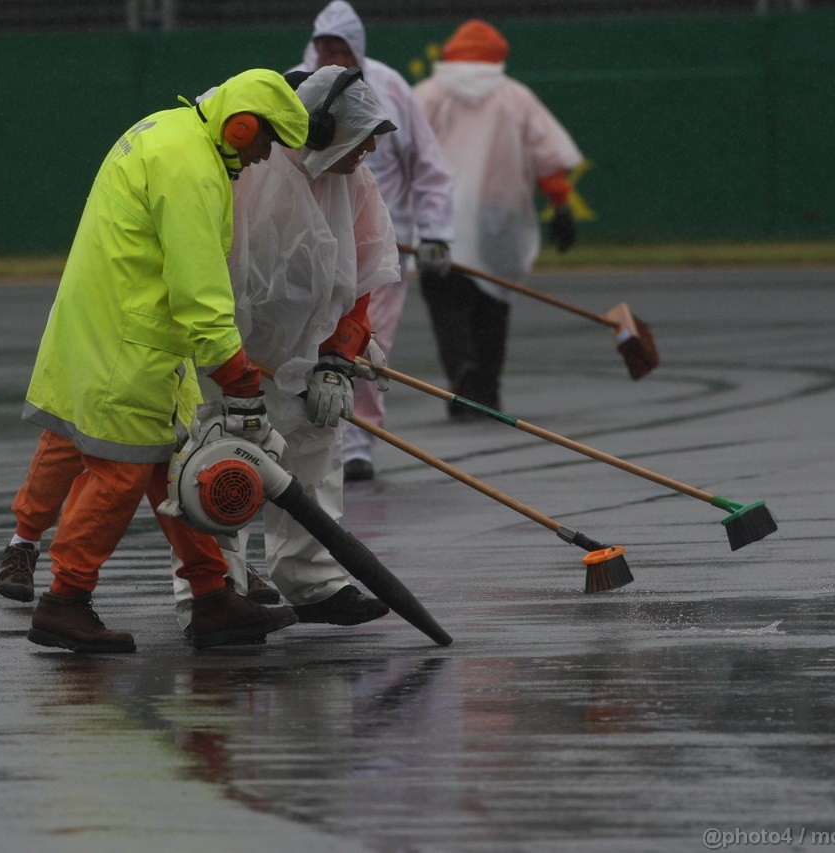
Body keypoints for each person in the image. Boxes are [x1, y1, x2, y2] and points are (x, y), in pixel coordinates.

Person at [0, 69, 311, 653]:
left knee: (174, 470)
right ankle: (66, 600)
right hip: (128, 345)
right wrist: (236, 374)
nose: (266, 157)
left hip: (124, 333)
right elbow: (198, 287)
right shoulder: (189, 167)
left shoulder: (170, 134)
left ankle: (212, 597)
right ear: (242, 125)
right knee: (118, 476)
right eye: (266, 142)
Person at [170, 65, 402, 631]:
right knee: (221, 457)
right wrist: (221, 354)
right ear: (319, 131)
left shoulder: (353, 178)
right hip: (231, 347)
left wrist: (338, 357)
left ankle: (314, 581)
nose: (366, 154)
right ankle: (216, 585)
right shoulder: (249, 166)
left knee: (316, 448)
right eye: (359, 142)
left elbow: (362, 275)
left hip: (306, 352)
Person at [293, 0, 455, 482]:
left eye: (341, 48)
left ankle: (358, 438)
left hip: (380, 243)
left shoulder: (390, 88)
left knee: (364, 337)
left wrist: (436, 232)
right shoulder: (295, 87)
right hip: (307, 240)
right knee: (304, 339)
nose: (332, 56)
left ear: (357, 48)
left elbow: (427, 165)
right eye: (326, 47)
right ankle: (306, 433)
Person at [412, 19, 584, 416]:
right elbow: (548, 156)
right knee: (494, 303)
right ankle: (486, 389)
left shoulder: (426, 95)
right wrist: (560, 205)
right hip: (499, 216)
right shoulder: (516, 97)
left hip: (440, 217)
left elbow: (400, 149)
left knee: (446, 298)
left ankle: (461, 368)